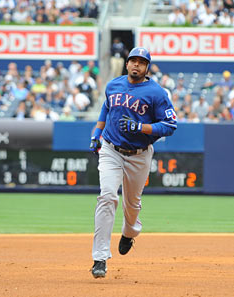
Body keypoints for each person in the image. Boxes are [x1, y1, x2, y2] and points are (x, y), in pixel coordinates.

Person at [89, 47, 177, 279]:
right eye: (133, 61)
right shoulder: (113, 85)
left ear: (147, 67)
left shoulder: (156, 93)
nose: (136, 65)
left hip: (139, 154)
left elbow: (170, 126)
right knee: (107, 196)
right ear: (127, 64)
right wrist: (97, 133)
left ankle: (130, 232)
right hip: (111, 149)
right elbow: (106, 108)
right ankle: (100, 257)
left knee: (132, 204)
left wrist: (141, 127)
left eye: (141, 62)